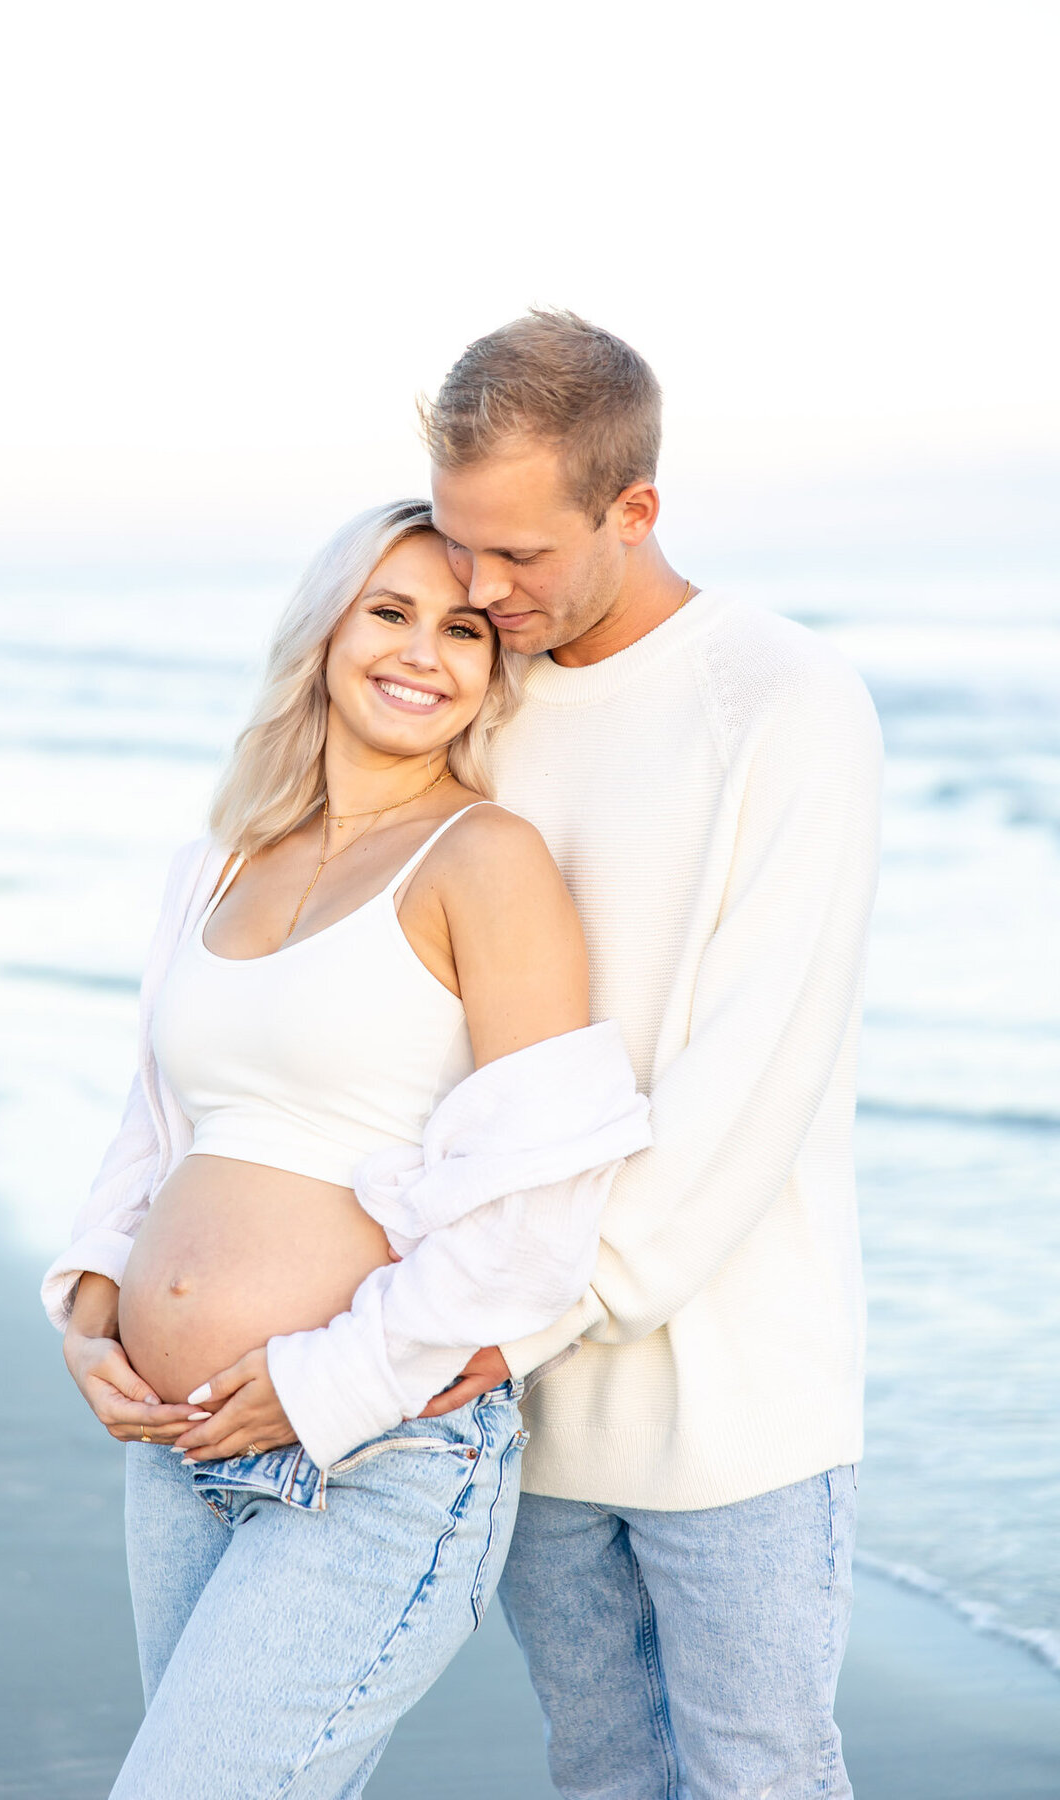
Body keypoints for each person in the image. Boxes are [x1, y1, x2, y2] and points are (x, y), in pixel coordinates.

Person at [269, 315, 883, 1799]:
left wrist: (530, 1313)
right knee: (600, 1771)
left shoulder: (787, 704)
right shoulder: (495, 690)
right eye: (463, 550)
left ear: (636, 510)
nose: (480, 594)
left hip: (732, 1393)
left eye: (521, 557)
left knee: (760, 1775)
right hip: (512, 1393)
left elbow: (751, 1078)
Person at [41, 497, 651, 1800]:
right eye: (391, 611)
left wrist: (328, 1384)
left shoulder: (485, 859)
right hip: (174, 1451)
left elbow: (538, 1209)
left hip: (376, 1459)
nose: (426, 650)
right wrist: (90, 1307)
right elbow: (158, 1125)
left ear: (495, 672)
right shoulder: (224, 857)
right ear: (325, 628)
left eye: (467, 629)